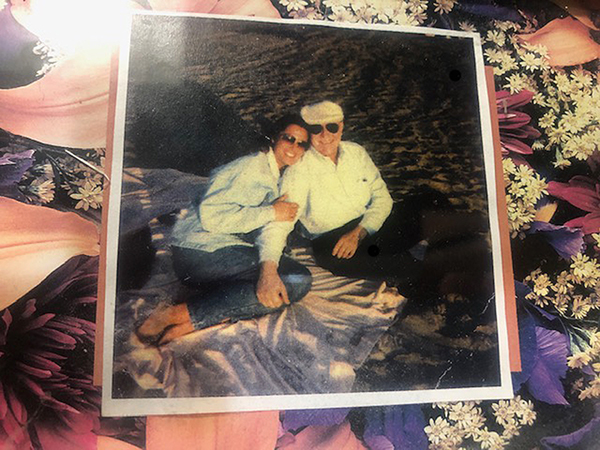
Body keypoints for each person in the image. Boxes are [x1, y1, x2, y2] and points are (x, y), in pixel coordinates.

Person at [137, 114, 313, 343]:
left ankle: (194, 319)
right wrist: (271, 212)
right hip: (200, 252)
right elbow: (212, 215)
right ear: (274, 138)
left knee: (283, 280)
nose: (294, 147)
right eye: (288, 138)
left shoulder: (276, 173)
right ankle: (173, 315)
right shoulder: (252, 168)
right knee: (296, 280)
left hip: (211, 254)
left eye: (301, 144)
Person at [256, 101, 425, 305]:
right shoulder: (299, 169)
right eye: (316, 129)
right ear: (308, 133)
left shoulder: (356, 152)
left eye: (332, 127)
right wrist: (268, 271)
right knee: (402, 267)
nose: (325, 136)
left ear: (341, 127)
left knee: (429, 200)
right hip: (334, 241)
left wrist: (360, 232)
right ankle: (414, 271)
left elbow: (382, 198)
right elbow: (281, 222)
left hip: (368, 225)